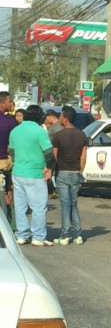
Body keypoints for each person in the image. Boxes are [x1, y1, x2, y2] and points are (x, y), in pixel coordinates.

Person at [9, 105, 56, 247]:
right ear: (39, 117)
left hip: (17, 172)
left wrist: (18, 162)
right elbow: (48, 152)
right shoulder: (40, 131)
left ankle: (22, 235)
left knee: (20, 206)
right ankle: (38, 236)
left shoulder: (15, 131)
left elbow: (12, 151)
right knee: (39, 207)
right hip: (35, 173)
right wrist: (48, 166)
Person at [52, 106, 88, 245]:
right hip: (75, 172)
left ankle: (65, 235)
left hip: (62, 172)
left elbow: (54, 157)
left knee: (65, 204)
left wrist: (52, 171)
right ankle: (77, 234)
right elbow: (83, 156)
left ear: (65, 119)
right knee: (73, 203)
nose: (60, 118)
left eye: (61, 116)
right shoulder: (81, 135)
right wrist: (80, 171)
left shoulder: (58, 136)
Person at [0, 92, 17, 221]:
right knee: (6, 195)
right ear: (2, 103)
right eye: (10, 101)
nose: (11, 104)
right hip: (4, 163)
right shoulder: (10, 122)